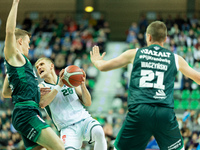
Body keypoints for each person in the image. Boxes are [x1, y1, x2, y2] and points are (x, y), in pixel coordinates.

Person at [89, 21, 200, 150]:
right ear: (165, 38)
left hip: (140, 111)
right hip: (164, 112)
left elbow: (103, 67)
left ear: (148, 37)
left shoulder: (135, 53)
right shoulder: (175, 59)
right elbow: (197, 78)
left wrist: (97, 61)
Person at [2, 0, 65, 150]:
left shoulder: (15, 65)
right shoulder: (15, 56)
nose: (29, 46)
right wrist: (15, 3)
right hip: (26, 112)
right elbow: (10, 31)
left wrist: (34, 91)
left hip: (27, 111)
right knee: (59, 147)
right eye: (28, 42)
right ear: (19, 41)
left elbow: (5, 92)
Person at [35, 57, 107, 150]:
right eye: (37, 67)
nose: (39, 68)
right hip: (67, 128)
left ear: (51, 66)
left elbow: (88, 102)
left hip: (84, 120)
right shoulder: (41, 87)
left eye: (42, 64)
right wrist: (59, 86)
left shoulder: (69, 79)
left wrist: (83, 85)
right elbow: (43, 103)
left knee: (99, 132)